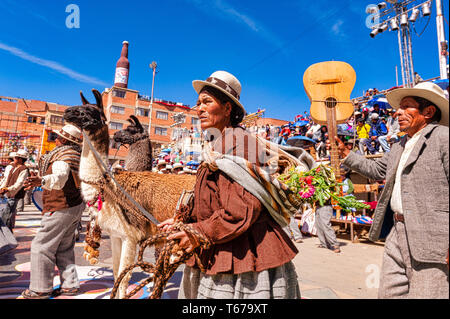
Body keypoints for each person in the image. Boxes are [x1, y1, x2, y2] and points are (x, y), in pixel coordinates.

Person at [159, 70, 301, 299]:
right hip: (217, 246)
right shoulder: (216, 145)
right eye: (198, 103)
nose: (199, 108)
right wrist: (182, 221)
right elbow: (209, 198)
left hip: (244, 259)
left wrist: (197, 232)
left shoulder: (240, 143)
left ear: (227, 109)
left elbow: (240, 211)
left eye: (207, 102)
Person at [329, 82, 449, 298]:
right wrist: (347, 153)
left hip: (434, 236)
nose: (398, 113)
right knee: (389, 293)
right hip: (398, 230)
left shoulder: (443, 138)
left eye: (406, 107)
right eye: (399, 108)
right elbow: (377, 169)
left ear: (428, 112)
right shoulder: (399, 145)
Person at [21, 124, 85, 299]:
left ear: (64, 140)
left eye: (56, 137)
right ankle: (70, 286)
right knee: (64, 248)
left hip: (60, 206)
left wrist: (41, 180)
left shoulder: (63, 156)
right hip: (73, 206)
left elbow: (60, 177)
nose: (54, 139)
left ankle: (40, 289)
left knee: (41, 247)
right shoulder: (75, 155)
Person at [0, 150, 29, 231]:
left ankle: (7, 235)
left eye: (15, 158)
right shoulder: (13, 168)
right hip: (7, 194)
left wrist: (8, 189)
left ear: (20, 159)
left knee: (7, 217)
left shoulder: (24, 169)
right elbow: (7, 180)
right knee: (5, 215)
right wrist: (2, 188)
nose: (14, 160)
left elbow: (19, 183)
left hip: (13, 195)